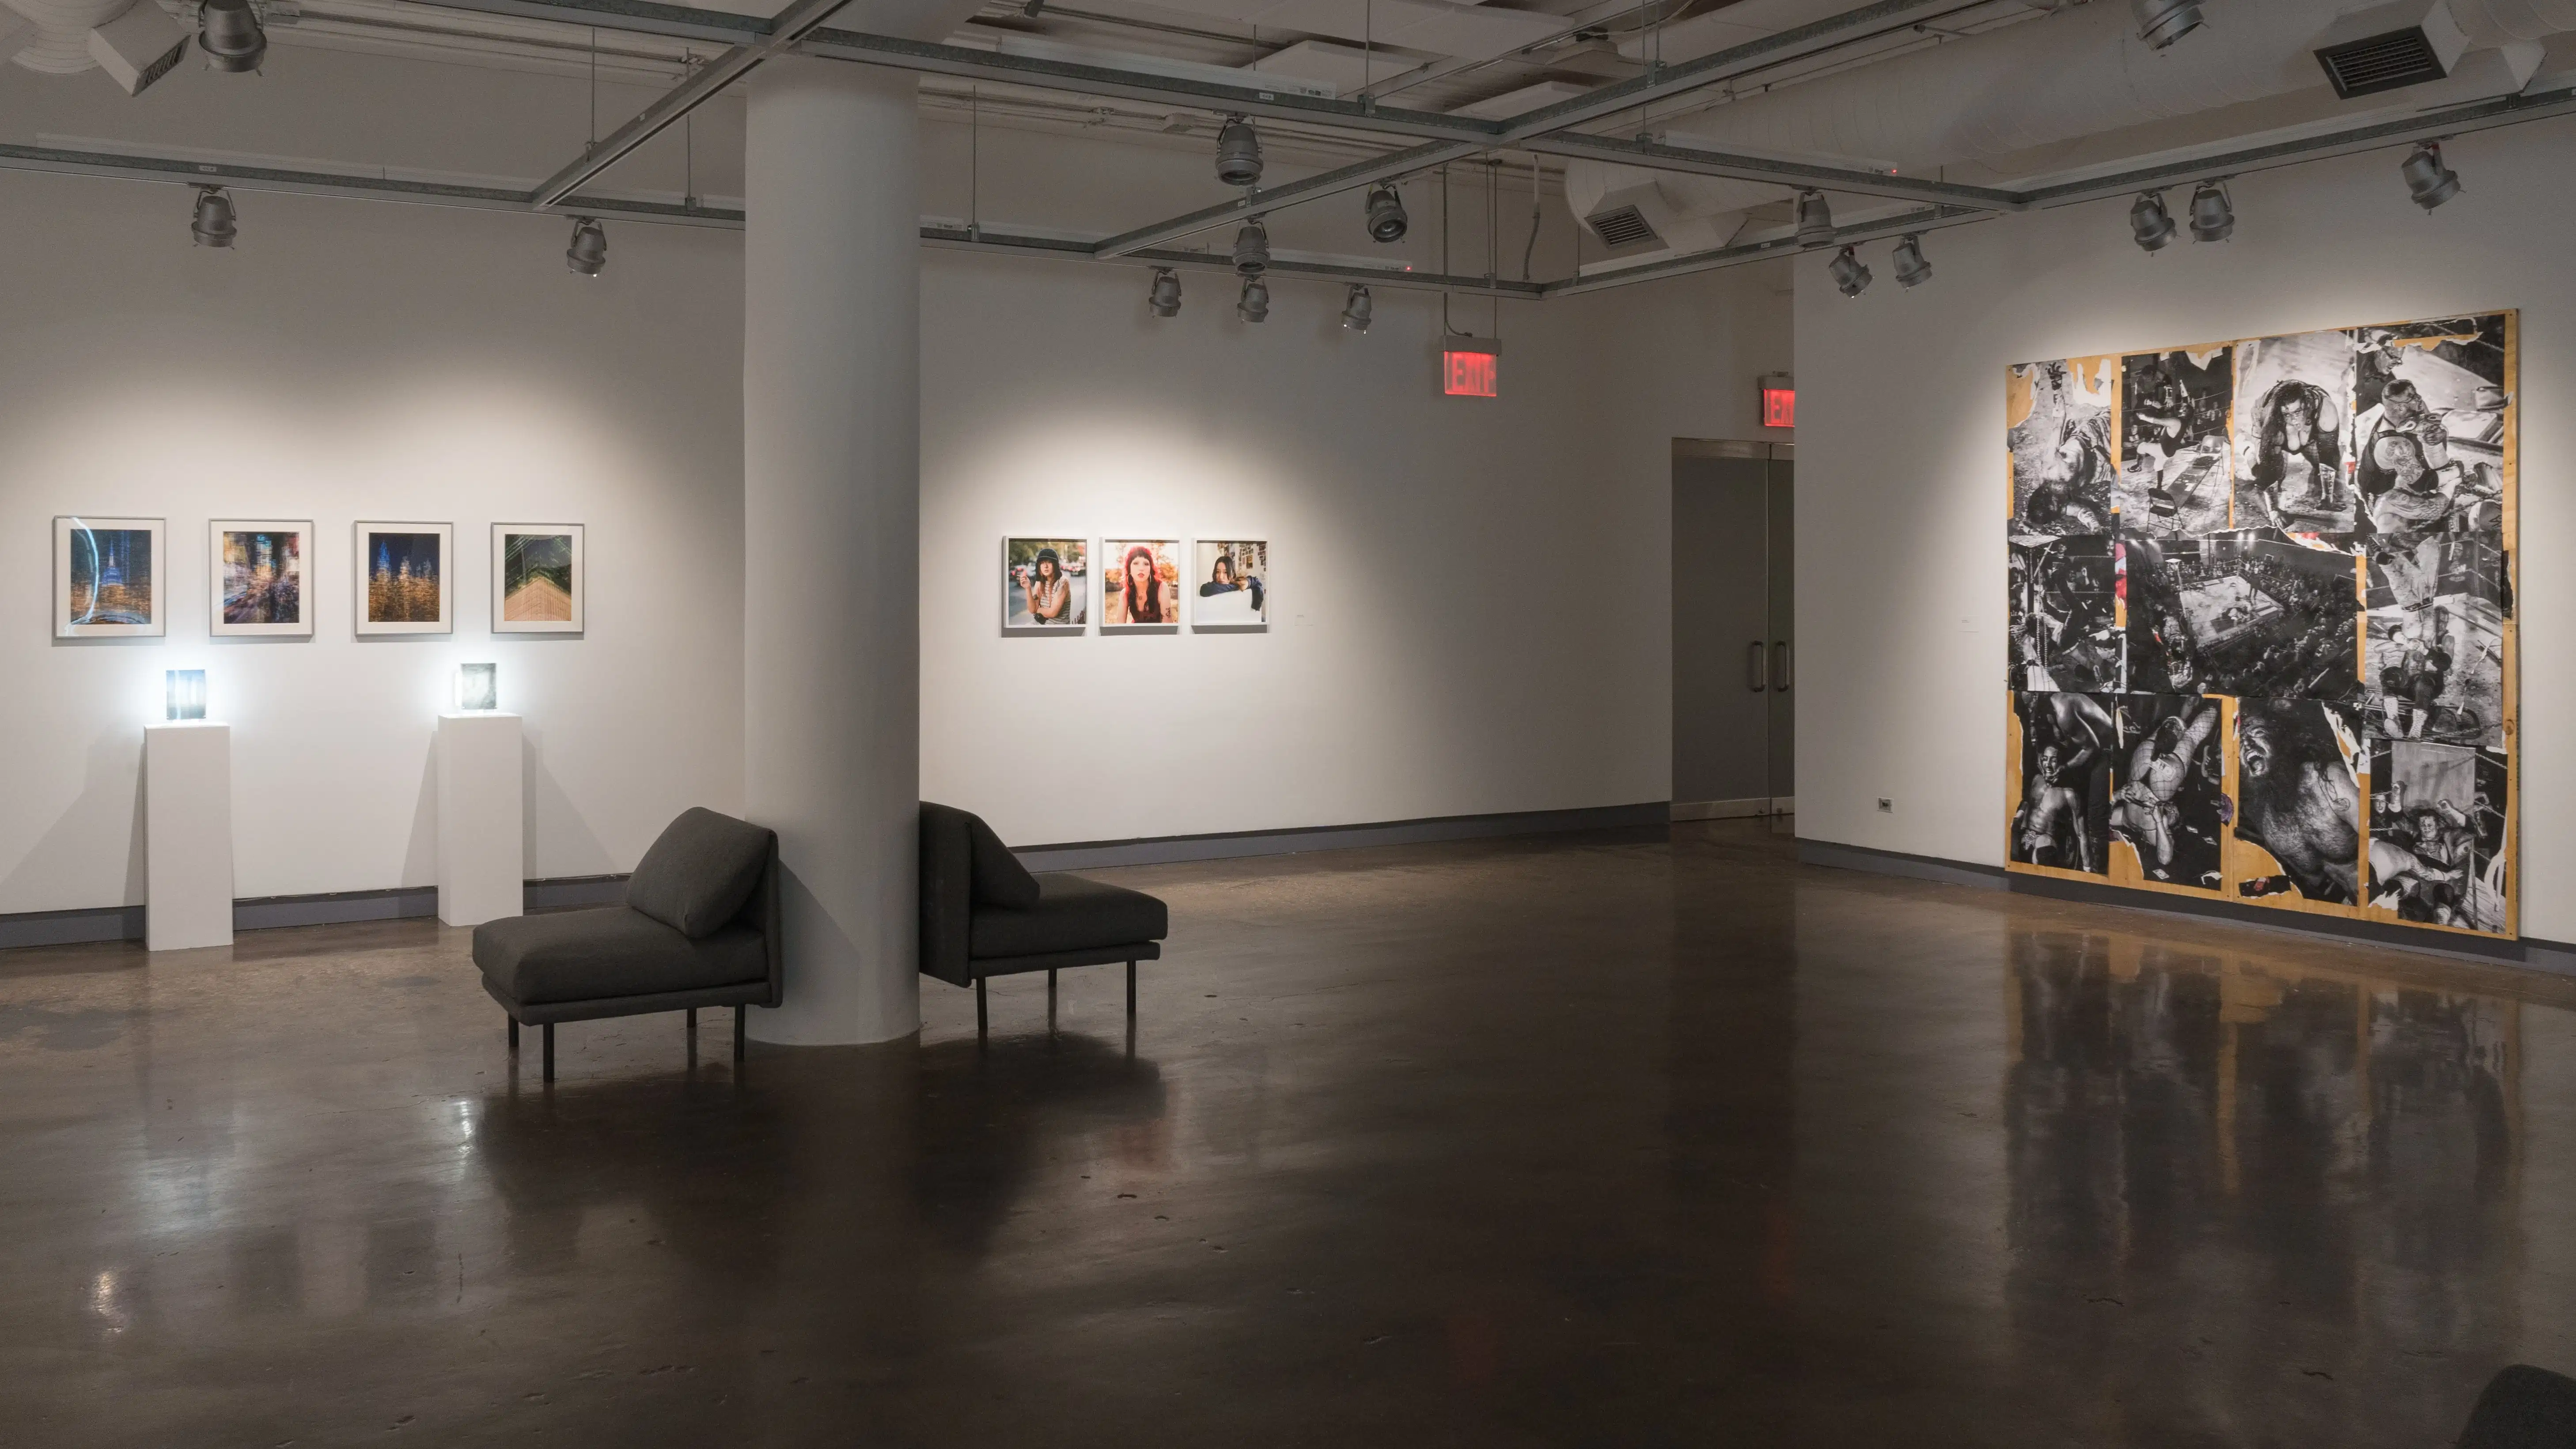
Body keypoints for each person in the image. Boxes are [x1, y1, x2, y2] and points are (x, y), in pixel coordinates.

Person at [2111, 699, 2218, 878]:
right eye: (2175, 814)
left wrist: (2116, 796)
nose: (2174, 811)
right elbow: (2165, 859)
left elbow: (2165, 858)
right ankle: (2210, 707)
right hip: (2147, 773)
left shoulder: (2130, 822)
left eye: (2173, 813)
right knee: (2185, 736)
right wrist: (2160, 821)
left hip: (2157, 784)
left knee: (2190, 737)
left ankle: (2212, 706)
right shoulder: (2130, 820)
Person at [2016, 744, 2094, 873]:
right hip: (2026, 838)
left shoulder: (2069, 794)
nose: (2048, 764)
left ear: (2061, 763)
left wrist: (2087, 868)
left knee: (2043, 851)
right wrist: (2019, 815)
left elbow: (2082, 834)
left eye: (2053, 760)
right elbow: (2028, 803)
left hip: (2047, 844)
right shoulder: (2037, 780)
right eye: (2045, 759)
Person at [1114, 544, 1175, 624]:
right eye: (1136, 563)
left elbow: (1167, 626)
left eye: (1146, 564)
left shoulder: (1162, 588)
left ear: (1151, 569)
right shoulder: (1125, 594)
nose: (1141, 568)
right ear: (1129, 568)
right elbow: (1120, 626)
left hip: (1158, 635)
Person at [1021, 547, 1072, 626]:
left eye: (1049, 562)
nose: (1045, 566)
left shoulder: (1063, 583)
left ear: (1055, 564)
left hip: (1057, 628)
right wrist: (1028, 588)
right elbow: (1032, 609)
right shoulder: (1040, 582)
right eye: (1042, 563)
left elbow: (1052, 613)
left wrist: (1038, 610)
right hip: (1039, 624)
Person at [1198, 553, 1264, 612]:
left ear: (1233, 574)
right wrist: (1236, 587)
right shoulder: (1210, 587)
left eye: (1226, 572)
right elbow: (1204, 590)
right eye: (1218, 572)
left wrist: (1248, 582)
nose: (1221, 577)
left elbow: (1257, 581)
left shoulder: (1239, 582)